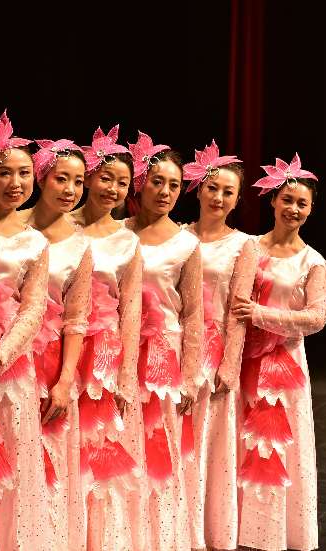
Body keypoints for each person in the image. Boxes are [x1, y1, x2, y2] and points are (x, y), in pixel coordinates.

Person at [233, 154, 326, 551]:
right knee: (241, 443)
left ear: (310, 210)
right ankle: (236, 529)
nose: (293, 208)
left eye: (302, 203)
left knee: (276, 448)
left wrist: (260, 314)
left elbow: (317, 317)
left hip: (284, 367)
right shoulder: (248, 247)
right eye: (287, 199)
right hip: (244, 362)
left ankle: (273, 534)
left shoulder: (313, 262)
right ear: (273, 201)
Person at [0, 111, 54, 549]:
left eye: (24, 174)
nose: (15, 183)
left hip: (11, 362)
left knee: (12, 453)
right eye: (4, 173)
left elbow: (34, 306)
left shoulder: (35, 240)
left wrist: (2, 353)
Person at [124, 132, 203, 551]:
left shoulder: (186, 244)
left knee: (157, 444)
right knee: (119, 440)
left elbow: (193, 315)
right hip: (117, 350)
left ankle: (159, 537)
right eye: (158, 182)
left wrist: (190, 375)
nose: (166, 192)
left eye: (174, 185)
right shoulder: (118, 233)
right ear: (141, 183)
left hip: (161, 357)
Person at [179, 140, 257, 550]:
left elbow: (238, 312)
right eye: (212, 188)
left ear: (237, 200)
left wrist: (230, 364)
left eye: (228, 192)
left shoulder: (243, 245)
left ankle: (206, 530)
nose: (219, 197)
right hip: (174, 345)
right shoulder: (179, 235)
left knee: (208, 441)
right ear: (198, 190)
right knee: (176, 435)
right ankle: (175, 526)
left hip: (215, 351)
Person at [71, 126, 143, 550]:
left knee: (96, 444)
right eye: (105, 178)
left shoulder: (127, 241)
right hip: (56, 346)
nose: (113, 189)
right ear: (88, 177)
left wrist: (126, 374)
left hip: (102, 356)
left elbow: (131, 310)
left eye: (122, 182)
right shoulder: (59, 226)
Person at [20, 139, 92, 550]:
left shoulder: (80, 246)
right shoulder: (7, 225)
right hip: (3, 355)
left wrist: (65, 380)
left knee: (48, 456)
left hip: (49, 361)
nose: (70, 189)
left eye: (78, 182)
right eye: (61, 178)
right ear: (41, 178)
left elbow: (76, 318)